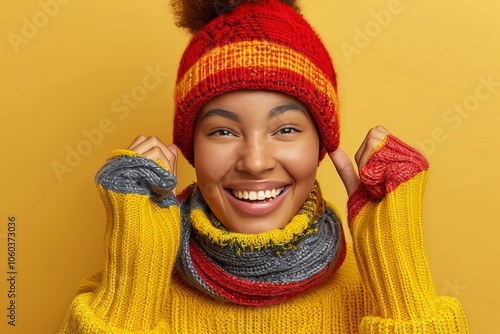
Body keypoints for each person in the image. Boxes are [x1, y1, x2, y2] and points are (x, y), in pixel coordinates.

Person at [59, 0, 469, 332]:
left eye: (286, 129)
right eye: (222, 132)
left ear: (321, 147)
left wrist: (402, 276)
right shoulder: (117, 299)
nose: (255, 163)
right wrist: (135, 275)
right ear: (190, 150)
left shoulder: (378, 299)